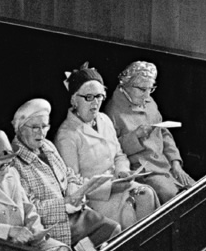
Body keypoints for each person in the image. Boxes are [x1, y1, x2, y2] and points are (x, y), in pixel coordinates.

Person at [54, 62, 159, 229]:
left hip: (119, 183)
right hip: (95, 199)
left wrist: (122, 171)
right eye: (89, 97)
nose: (95, 103)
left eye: (99, 96)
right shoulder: (66, 136)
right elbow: (72, 186)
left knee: (147, 194)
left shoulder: (104, 119)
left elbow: (119, 155)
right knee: (129, 212)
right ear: (74, 99)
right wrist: (111, 187)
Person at [11, 98, 120, 251]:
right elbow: (31, 208)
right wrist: (65, 203)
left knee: (114, 231)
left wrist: (74, 187)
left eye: (44, 126)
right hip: (55, 224)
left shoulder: (47, 146)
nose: (41, 133)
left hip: (76, 213)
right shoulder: (14, 163)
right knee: (103, 241)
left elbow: (68, 173)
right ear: (20, 128)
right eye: (35, 127)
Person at [105, 61, 195, 204]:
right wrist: (135, 136)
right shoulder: (113, 112)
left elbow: (164, 133)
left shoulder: (148, 101)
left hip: (166, 166)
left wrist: (175, 163)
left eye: (150, 89)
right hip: (145, 172)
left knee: (197, 192)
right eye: (142, 89)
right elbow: (112, 152)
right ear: (126, 84)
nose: (147, 95)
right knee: (177, 201)